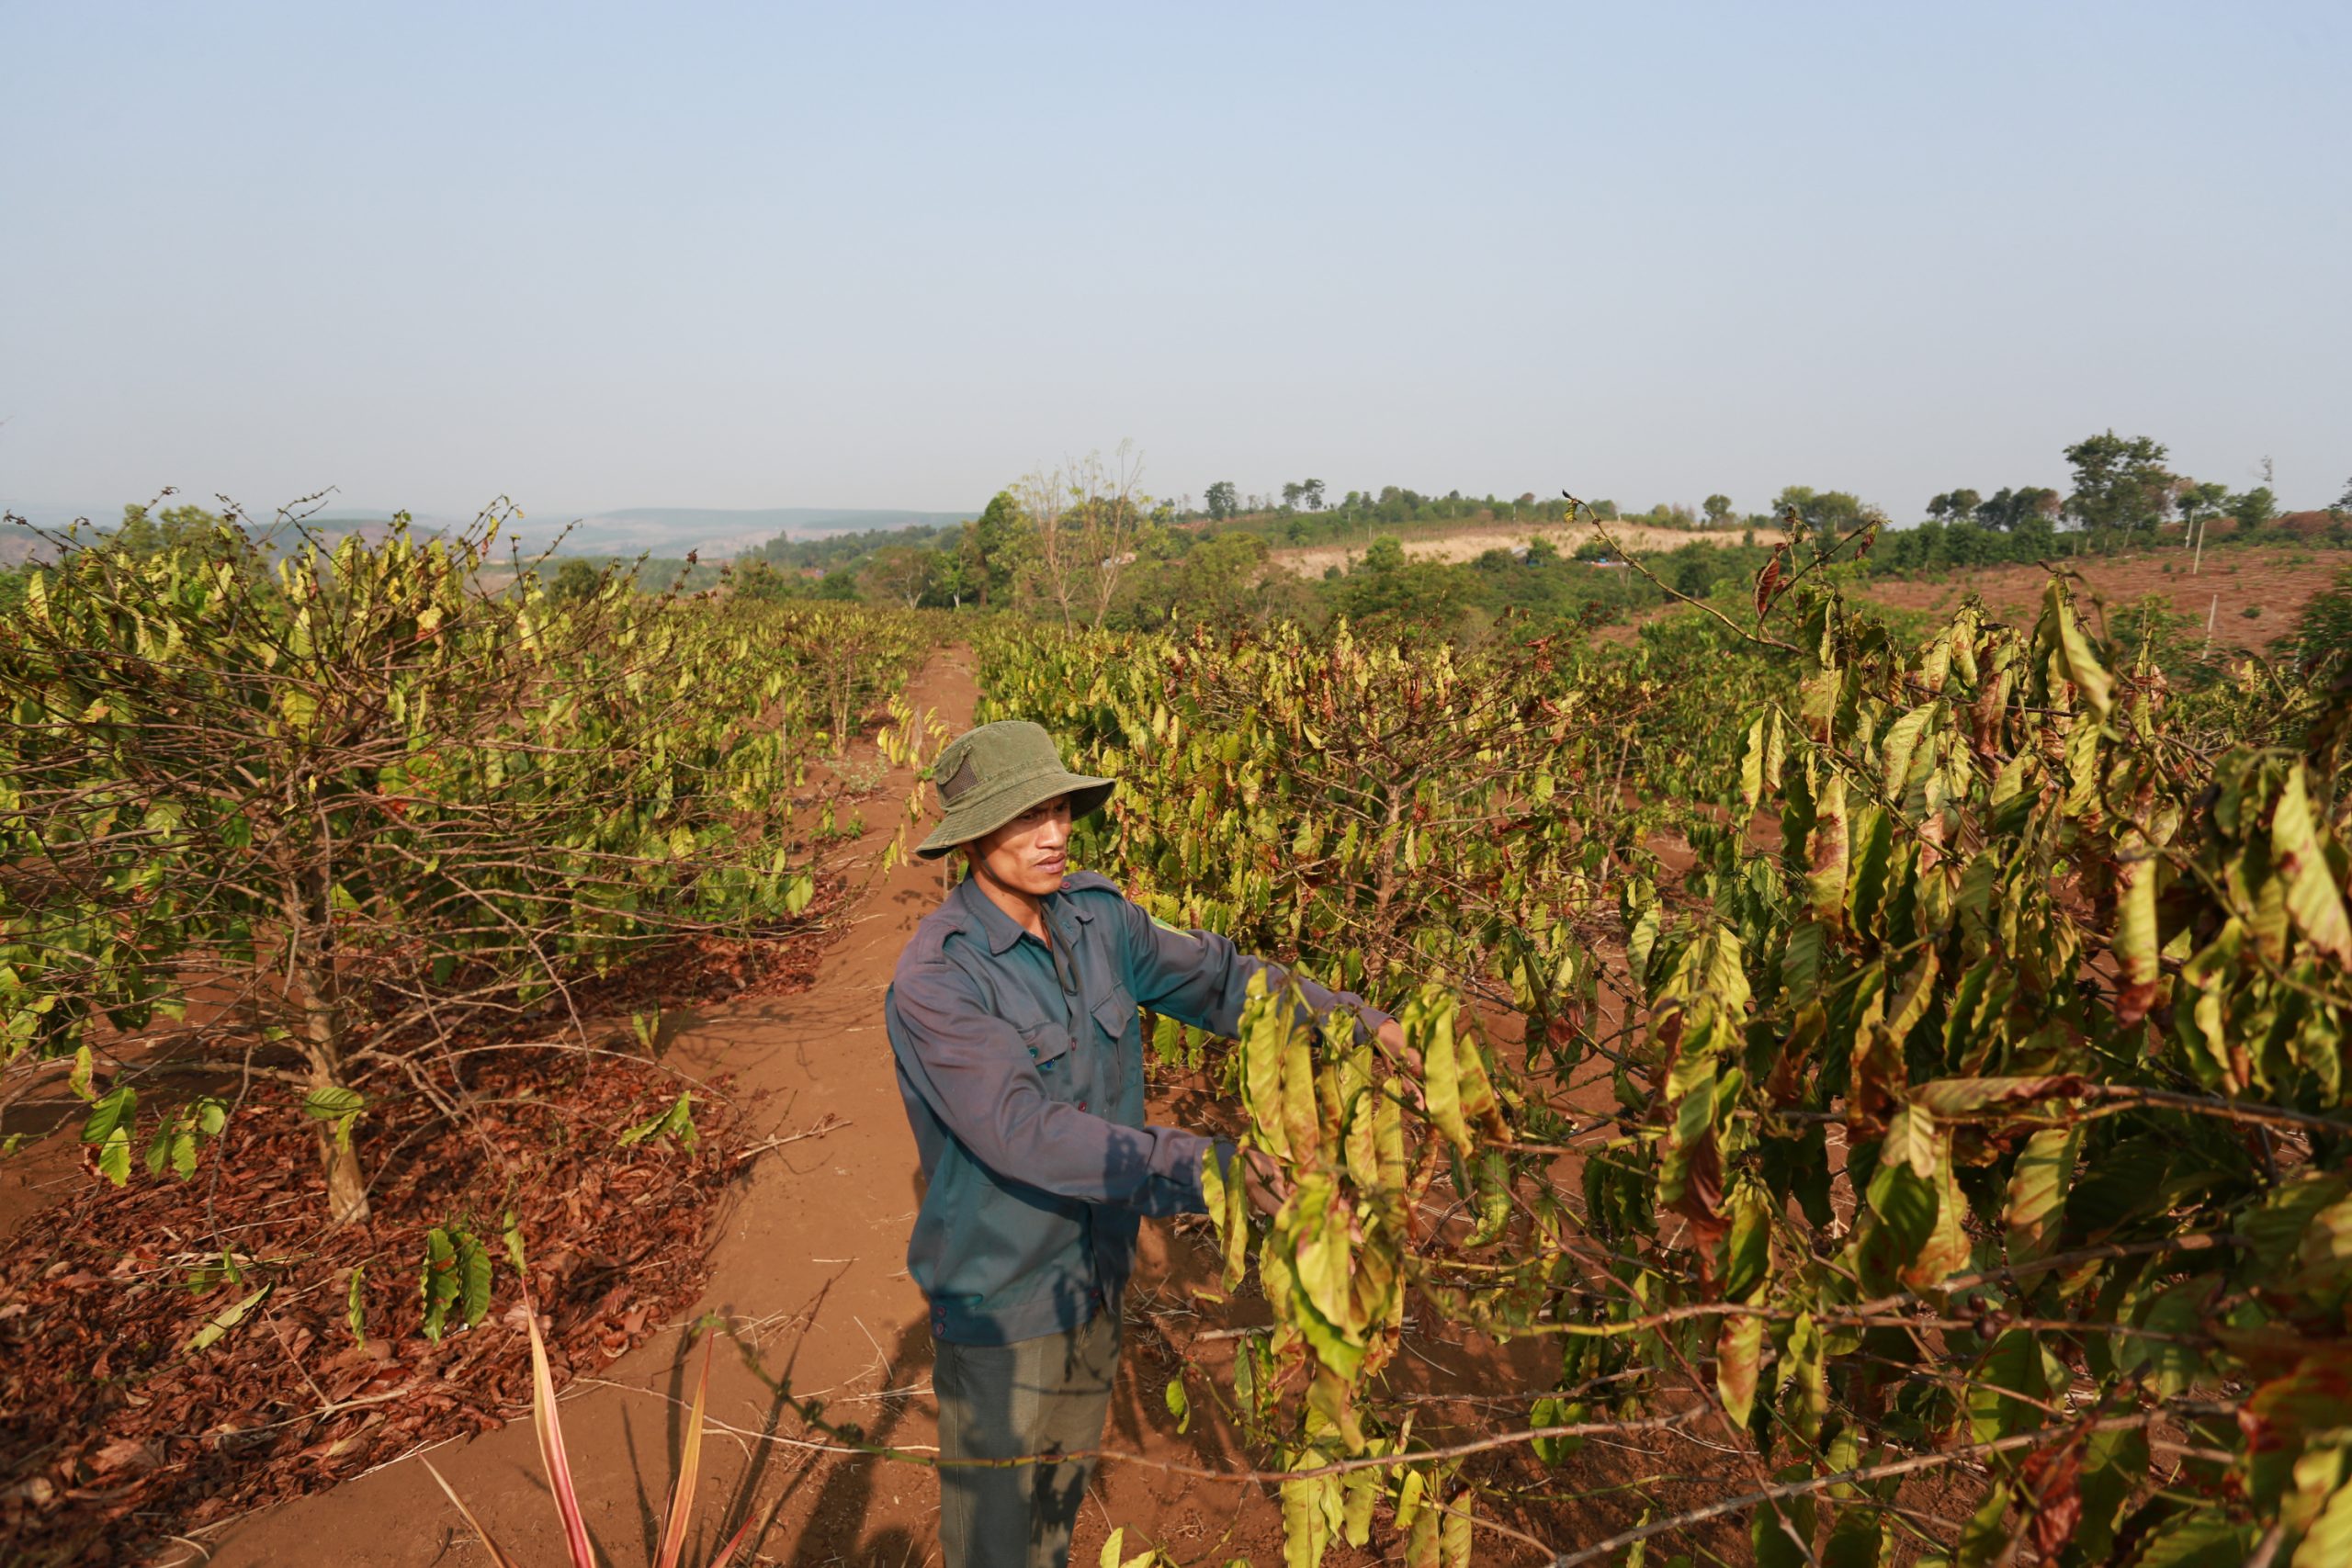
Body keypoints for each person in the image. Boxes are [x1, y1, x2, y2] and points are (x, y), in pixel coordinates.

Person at [885, 720, 1398, 1568]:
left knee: (1057, 1503)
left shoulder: (1098, 920)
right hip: (1003, 1298)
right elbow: (1026, 1133)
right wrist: (1213, 1170)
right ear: (974, 836)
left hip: (1097, 1272)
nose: (1053, 835)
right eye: (1025, 819)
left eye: (1058, 809)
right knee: (996, 1542)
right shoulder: (939, 977)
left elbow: (1225, 982)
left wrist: (1360, 1026)